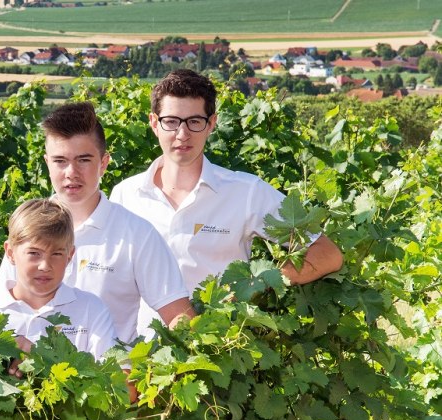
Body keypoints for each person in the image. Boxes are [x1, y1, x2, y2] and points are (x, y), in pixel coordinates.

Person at [110, 68, 344, 309]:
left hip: (219, 342)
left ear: (211, 124)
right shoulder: (125, 195)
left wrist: (261, 282)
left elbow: (327, 253)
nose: (182, 134)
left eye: (194, 122)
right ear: (154, 123)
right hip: (139, 345)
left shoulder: (246, 192)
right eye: (171, 122)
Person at [0, 102, 194, 346]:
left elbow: (179, 317)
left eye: (83, 160)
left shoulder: (137, 235)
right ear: (47, 163)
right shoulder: (26, 231)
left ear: (104, 163)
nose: (71, 172)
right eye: (60, 161)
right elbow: (2, 313)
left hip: (113, 380)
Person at [0, 199, 116, 359]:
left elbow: (111, 376)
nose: (45, 266)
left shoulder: (91, 310)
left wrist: (41, 359)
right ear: (10, 253)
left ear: (70, 255)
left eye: (56, 254)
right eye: (34, 253)